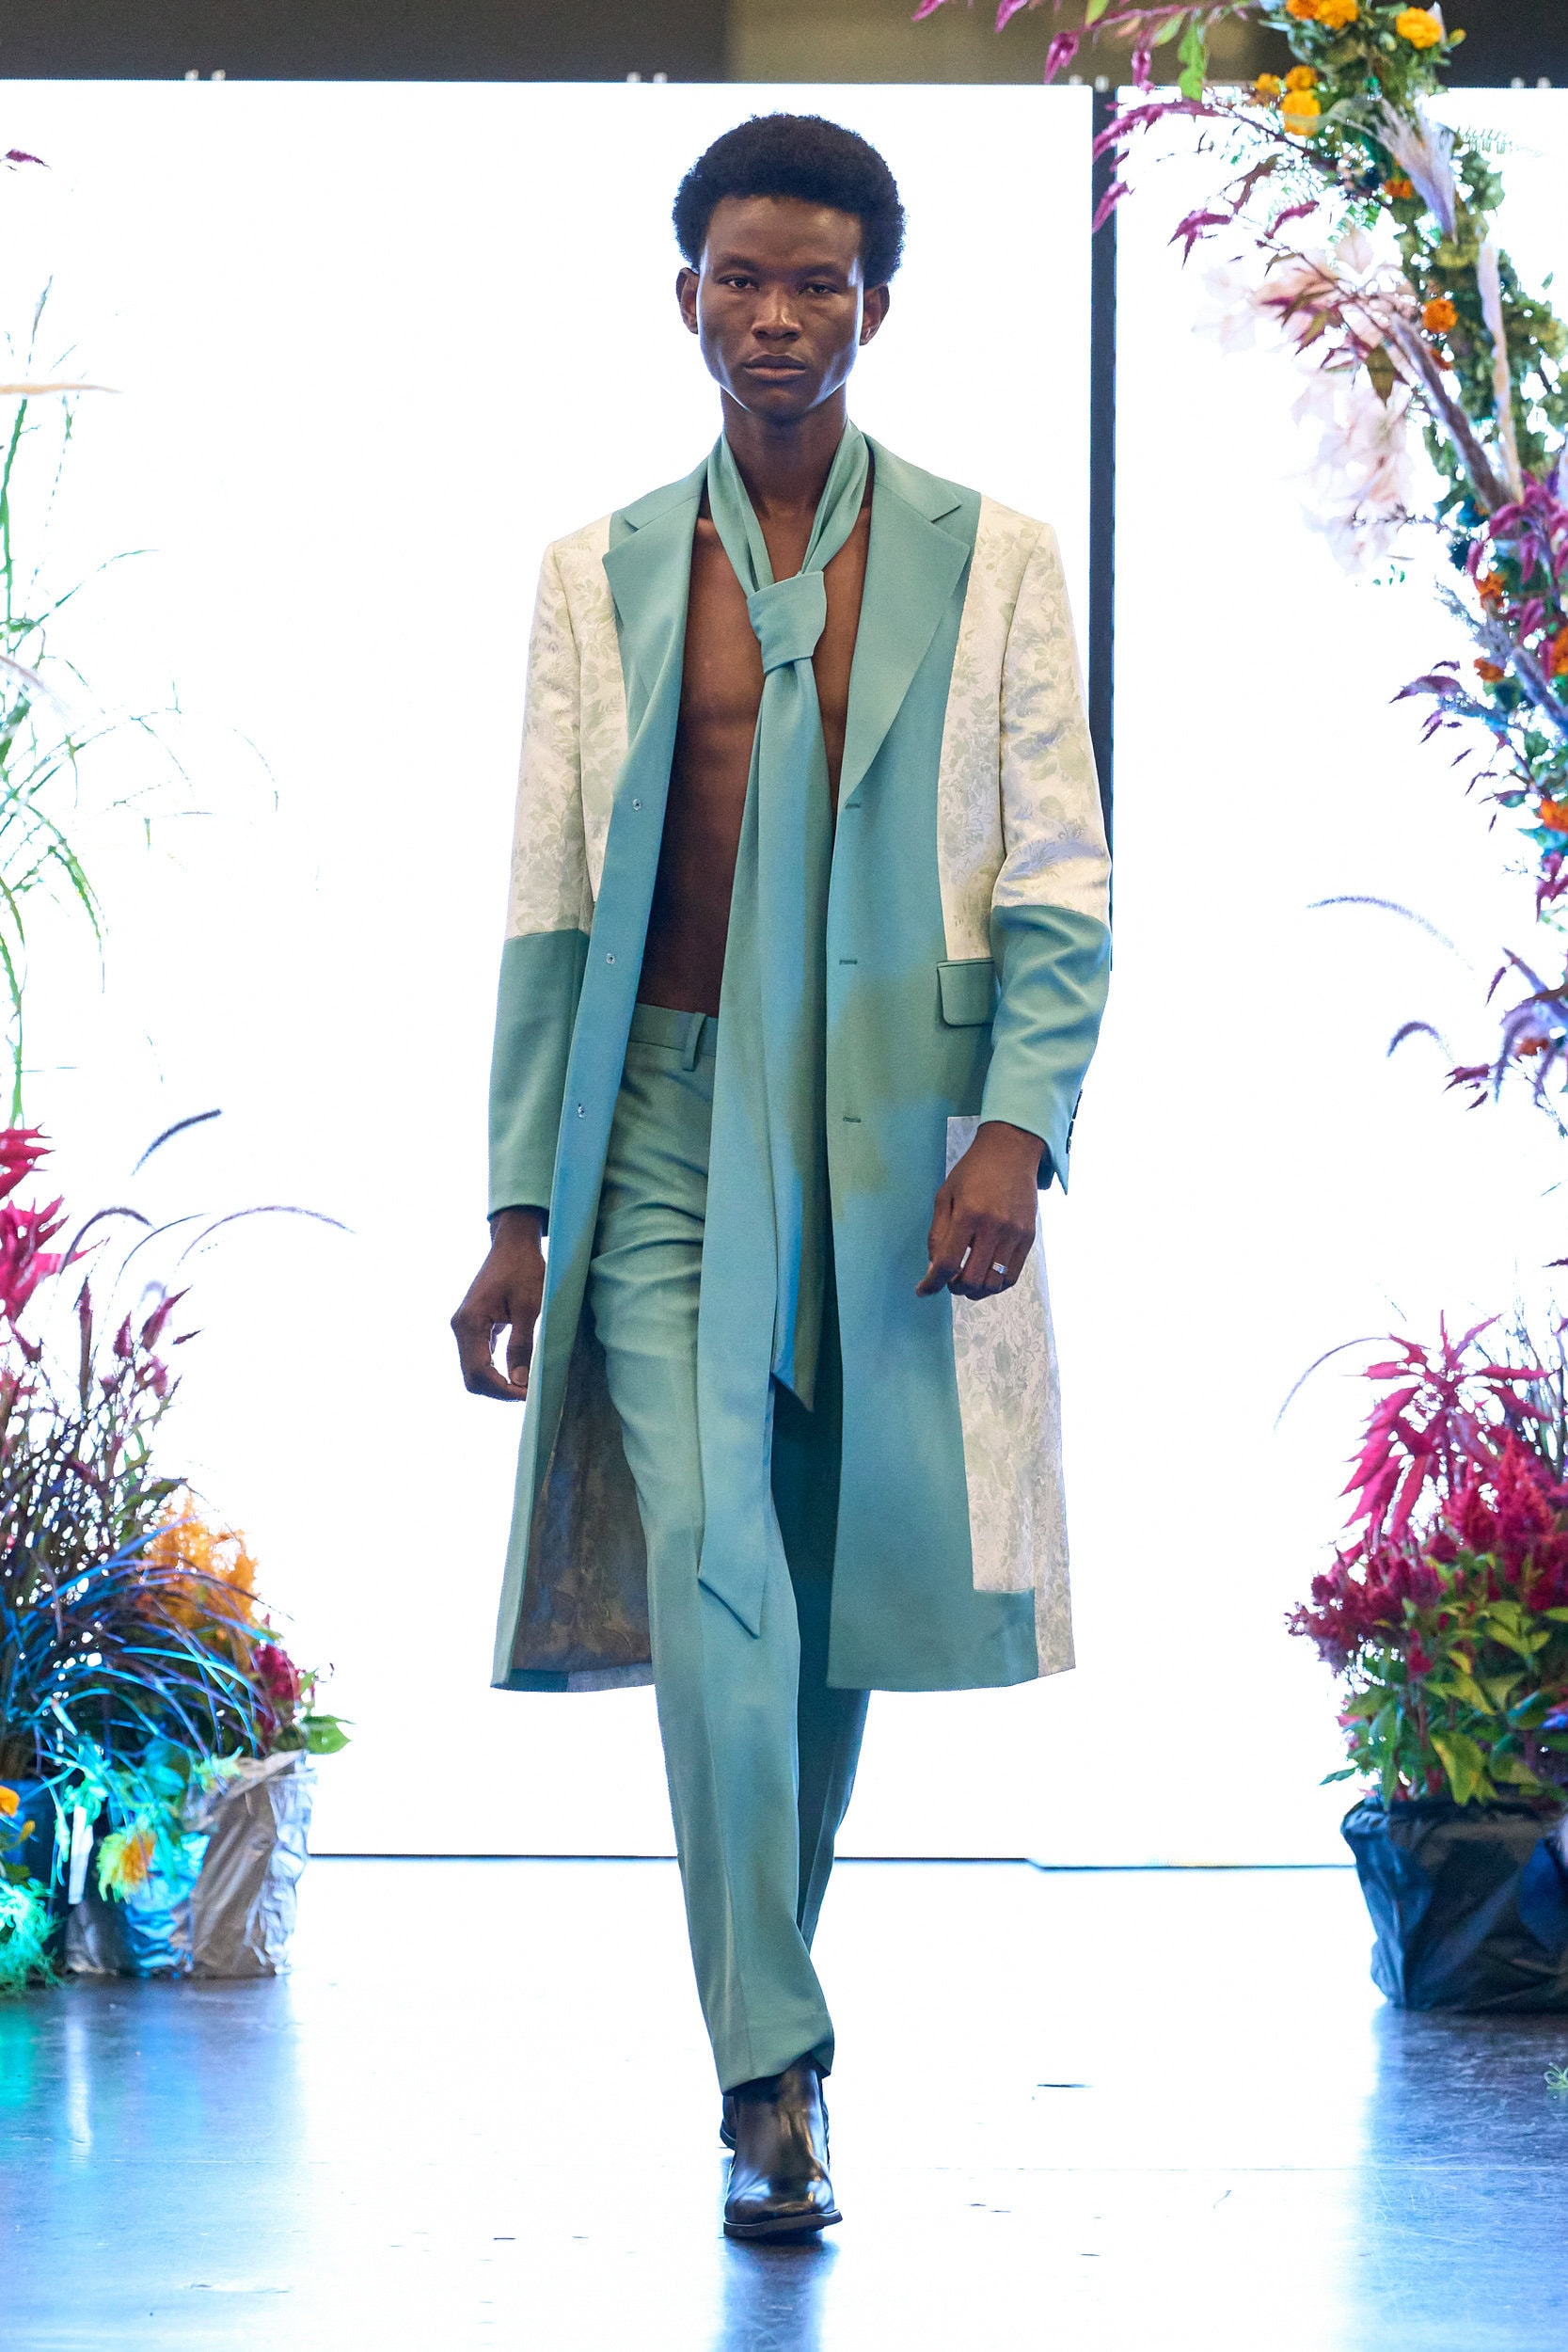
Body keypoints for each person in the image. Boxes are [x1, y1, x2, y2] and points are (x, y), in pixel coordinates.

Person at [451, 112, 1110, 2240]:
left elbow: (1059, 875)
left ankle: (770, 2028)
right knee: (714, 1551)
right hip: (657, 1124)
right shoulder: (601, 573)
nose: (775, 315)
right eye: (739, 277)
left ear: (874, 306)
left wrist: (1014, 1127)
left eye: (817, 281)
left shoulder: (994, 559)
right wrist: (516, 1205)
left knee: (812, 1607)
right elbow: (550, 901)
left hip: (888, 1139)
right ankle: (770, 2066)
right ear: (686, 297)